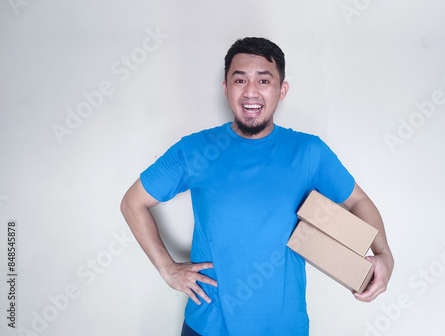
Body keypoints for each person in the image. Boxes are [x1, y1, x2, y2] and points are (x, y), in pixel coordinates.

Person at [120, 37, 394, 336]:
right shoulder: (195, 149)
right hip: (207, 326)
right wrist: (167, 269)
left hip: (284, 327)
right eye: (240, 80)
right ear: (226, 88)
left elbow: (357, 201)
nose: (251, 91)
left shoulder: (308, 152)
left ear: (281, 90)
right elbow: (133, 202)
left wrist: (384, 255)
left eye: (264, 80)